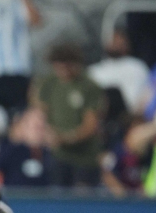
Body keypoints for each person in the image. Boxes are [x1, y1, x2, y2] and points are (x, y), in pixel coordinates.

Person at [31, 43, 106, 188]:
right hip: (57, 157)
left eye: (66, 66)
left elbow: (91, 124)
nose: (62, 71)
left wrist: (67, 138)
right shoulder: (50, 82)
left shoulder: (89, 86)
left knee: (83, 202)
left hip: (85, 157)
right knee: (57, 199)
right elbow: (39, 110)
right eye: (58, 66)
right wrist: (47, 132)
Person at [87, 29, 151, 116]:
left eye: (119, 40)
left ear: (127, 44)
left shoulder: (137, 67)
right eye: (113, 39)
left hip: (130, 115)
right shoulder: (93, 71)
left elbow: (148, 93)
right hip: (100, 116)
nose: (115, 43)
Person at [0, 107, 54, 188]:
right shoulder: (13, 151)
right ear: (24, 127)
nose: (38, 132)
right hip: (15, 199)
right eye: (35, 127)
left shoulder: (52, 155)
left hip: (45, 200)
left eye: (41, 127)